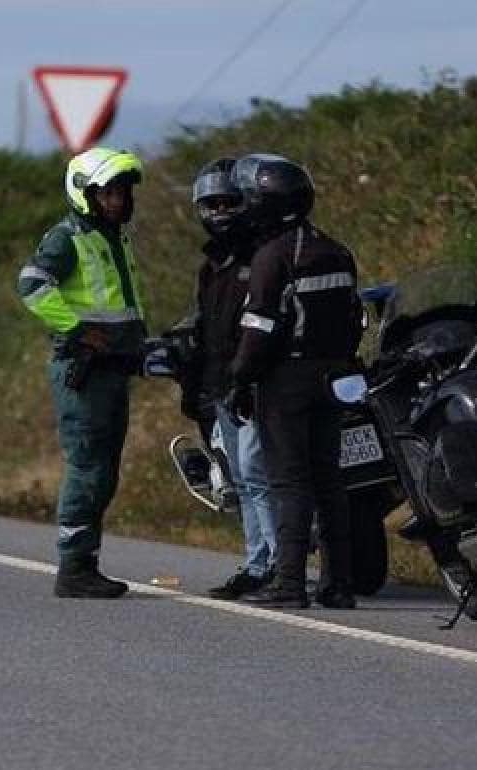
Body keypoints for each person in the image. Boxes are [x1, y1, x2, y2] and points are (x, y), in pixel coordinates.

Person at [225, 153, 363, 610]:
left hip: (287, 380)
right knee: (330, 478)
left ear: (262, 204)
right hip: (336, 375)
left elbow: (259, 329)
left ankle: (289, 583)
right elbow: (354, 317)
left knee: (289, 481)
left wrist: (240, 379)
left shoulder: (272, 257)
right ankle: (340, 583)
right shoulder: (336, 250)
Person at [16, 146, 147, 599]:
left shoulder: (114, 238)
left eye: (123, 192)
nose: (119, 201)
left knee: (105, 470)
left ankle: (84, 562)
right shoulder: (67, 237)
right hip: (85, 373)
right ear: (85, 194)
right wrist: (75, 331)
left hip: (114, 370)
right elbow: (32, 286)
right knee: (89, 467)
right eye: (109, 193)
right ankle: (74, 568)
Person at [179, 157, 278, 599]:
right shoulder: (210, 266)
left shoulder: (263, 256)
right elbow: (205, 331)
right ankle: (258, 562)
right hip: (223, 387)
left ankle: (273, 564)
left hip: (255, 386)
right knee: (240, 481)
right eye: (210, 204)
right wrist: (195, 385)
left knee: (259, 477)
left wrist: (247, 378)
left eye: (228, 202)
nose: (219, 212)